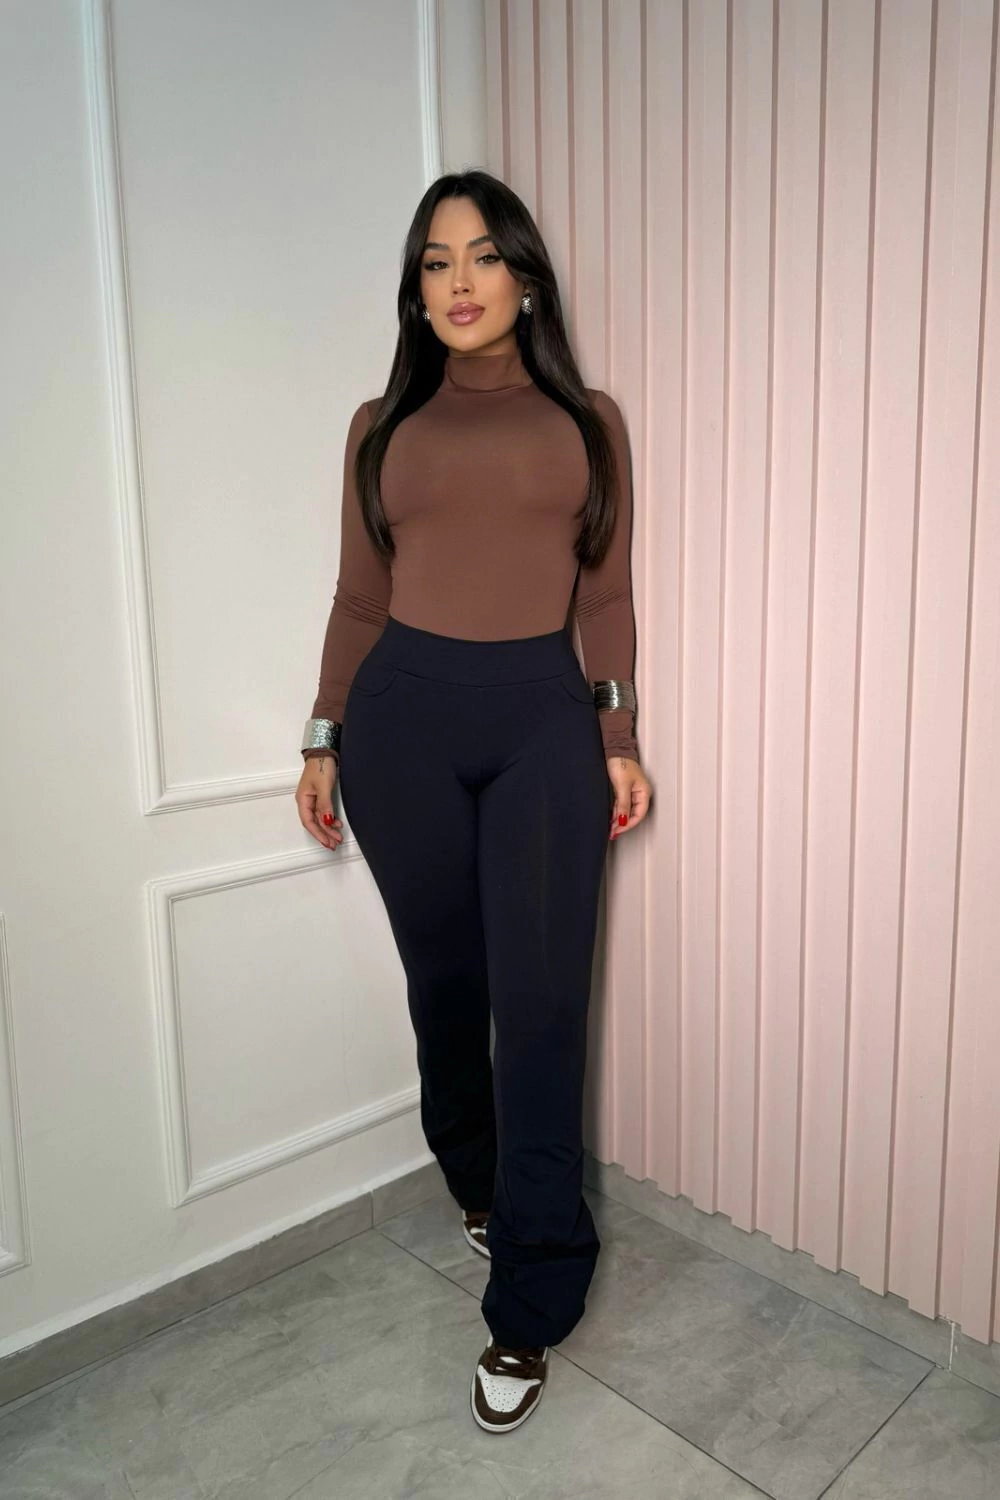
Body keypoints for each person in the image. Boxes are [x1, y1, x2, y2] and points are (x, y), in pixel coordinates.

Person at [295, 169, 652, 1433]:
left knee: (542, 1008)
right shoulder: (378, 426)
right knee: (446, 989)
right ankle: (481, 1180)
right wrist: (323, 737)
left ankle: (531, 1299)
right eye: (436, 261)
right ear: (416, 288)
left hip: (543, 726)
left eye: (483, 255)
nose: (459, 281)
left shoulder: (587, 422)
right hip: (401, 724)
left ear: (525, 280)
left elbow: (603, 594)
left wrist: (616, 736)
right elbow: (359, 597)